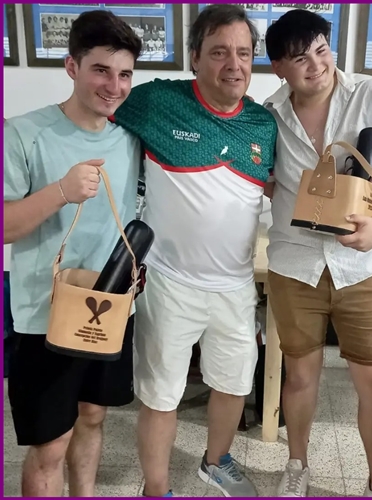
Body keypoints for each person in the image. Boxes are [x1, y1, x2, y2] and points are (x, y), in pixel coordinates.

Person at [110, 4, 277, 498]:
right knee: (161, 394)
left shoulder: (262, 124)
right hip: (169, 281)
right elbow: (95, 112)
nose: (234, 64)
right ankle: (156, 489)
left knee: (234, 383)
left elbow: (270, 184)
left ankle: (215, 462)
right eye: (219, 52)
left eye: (243, 53)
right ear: (195, 58)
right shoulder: (158, 102)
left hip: (236, 285)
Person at [263, 10, 372, 498]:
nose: (317, 65)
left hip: (362, 266)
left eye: (321, 50)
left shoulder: (370, 96)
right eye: (300, 59)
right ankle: (297, 465)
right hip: (295, 264)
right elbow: (264, 179)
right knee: (299, 377)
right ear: (278, 68)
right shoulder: (269, 114)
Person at [4, 10, 143, 497]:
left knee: (92, 416)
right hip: (42, 316)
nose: (114, 86)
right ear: (71, 66)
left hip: (109, 306)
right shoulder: (23, 133)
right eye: (101, 70)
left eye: (124, 74)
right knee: (50, 444)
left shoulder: (130, 138)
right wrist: (61, 191)